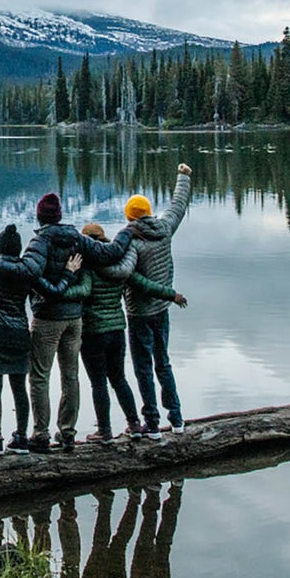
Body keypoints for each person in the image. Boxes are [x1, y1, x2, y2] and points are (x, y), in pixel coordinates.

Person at [0, 191, 126, 453]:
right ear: (59, 215)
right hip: (75, 319)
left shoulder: (40, 241)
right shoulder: (78, 240)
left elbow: (28, 271)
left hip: (47, 318)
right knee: (71, 375)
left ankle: (41, 434)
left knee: (39, 376)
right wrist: (129, 232)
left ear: (39, 216)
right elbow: (110, 253)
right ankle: (67, 433)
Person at [0, 191, 84, 456]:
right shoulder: (27, 271)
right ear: (18, 249)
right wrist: (68, 273)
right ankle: (21, 437)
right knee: (20, 387)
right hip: (20, 333)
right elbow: (52, 290)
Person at [77, 221, 185, 443]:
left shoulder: (87, 266)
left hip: (93, 332)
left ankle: (104, 431)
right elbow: (144, 284)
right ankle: (135, 425)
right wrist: (171, 294)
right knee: (119, 379)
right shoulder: (119, 265)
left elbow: (84, 291)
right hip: (117, 329)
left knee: (98, 382)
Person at [124, 162, 194, 438]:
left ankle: (151, 423)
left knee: (143, 368)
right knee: (163, 363)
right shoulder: (164, 228)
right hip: (162, 310)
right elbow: (178, 204)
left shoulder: (131, 241)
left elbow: (125, 273)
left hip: (139, 313)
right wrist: (183, 176)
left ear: (130, 217)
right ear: (149, 213)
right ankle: (176, 420)